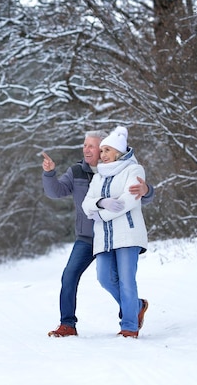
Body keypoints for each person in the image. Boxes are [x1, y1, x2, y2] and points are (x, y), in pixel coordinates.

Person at [42, 129, 154, 338]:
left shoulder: (127, 169)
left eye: (93, 146)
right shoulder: (78, 172)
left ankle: (130, 318)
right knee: (71, 275)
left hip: (117, 234)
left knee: (122, 278)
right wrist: (49, 174)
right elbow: (56, 192)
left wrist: (148, 191)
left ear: (112, 149)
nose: (88, 150)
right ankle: (67, 324)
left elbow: (138, 196)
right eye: (86, 145)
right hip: (88, 238)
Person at [81, 126, 149, 338]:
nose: (103, 155)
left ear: (118, 151)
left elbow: (127, 201)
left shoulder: (134, 170)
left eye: (107, 150)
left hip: (128, 234)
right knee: (104, 278)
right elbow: (86, 204)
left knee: (127, 280)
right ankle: (136, 306)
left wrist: (100, 213)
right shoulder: (99, 176)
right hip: (104, 238)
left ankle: (129, 327)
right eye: (102, 151)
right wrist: (102, 202)